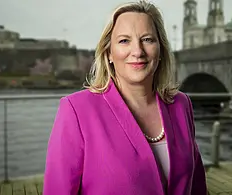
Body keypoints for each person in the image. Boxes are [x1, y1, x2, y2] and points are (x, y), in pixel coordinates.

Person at [43, 0, 208, 194]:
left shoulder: (181, 104)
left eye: (147, 39)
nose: (137, 52)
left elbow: (196, 184)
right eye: (124, 41)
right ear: (109, 53)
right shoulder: (76, 110)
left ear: (161, 49)